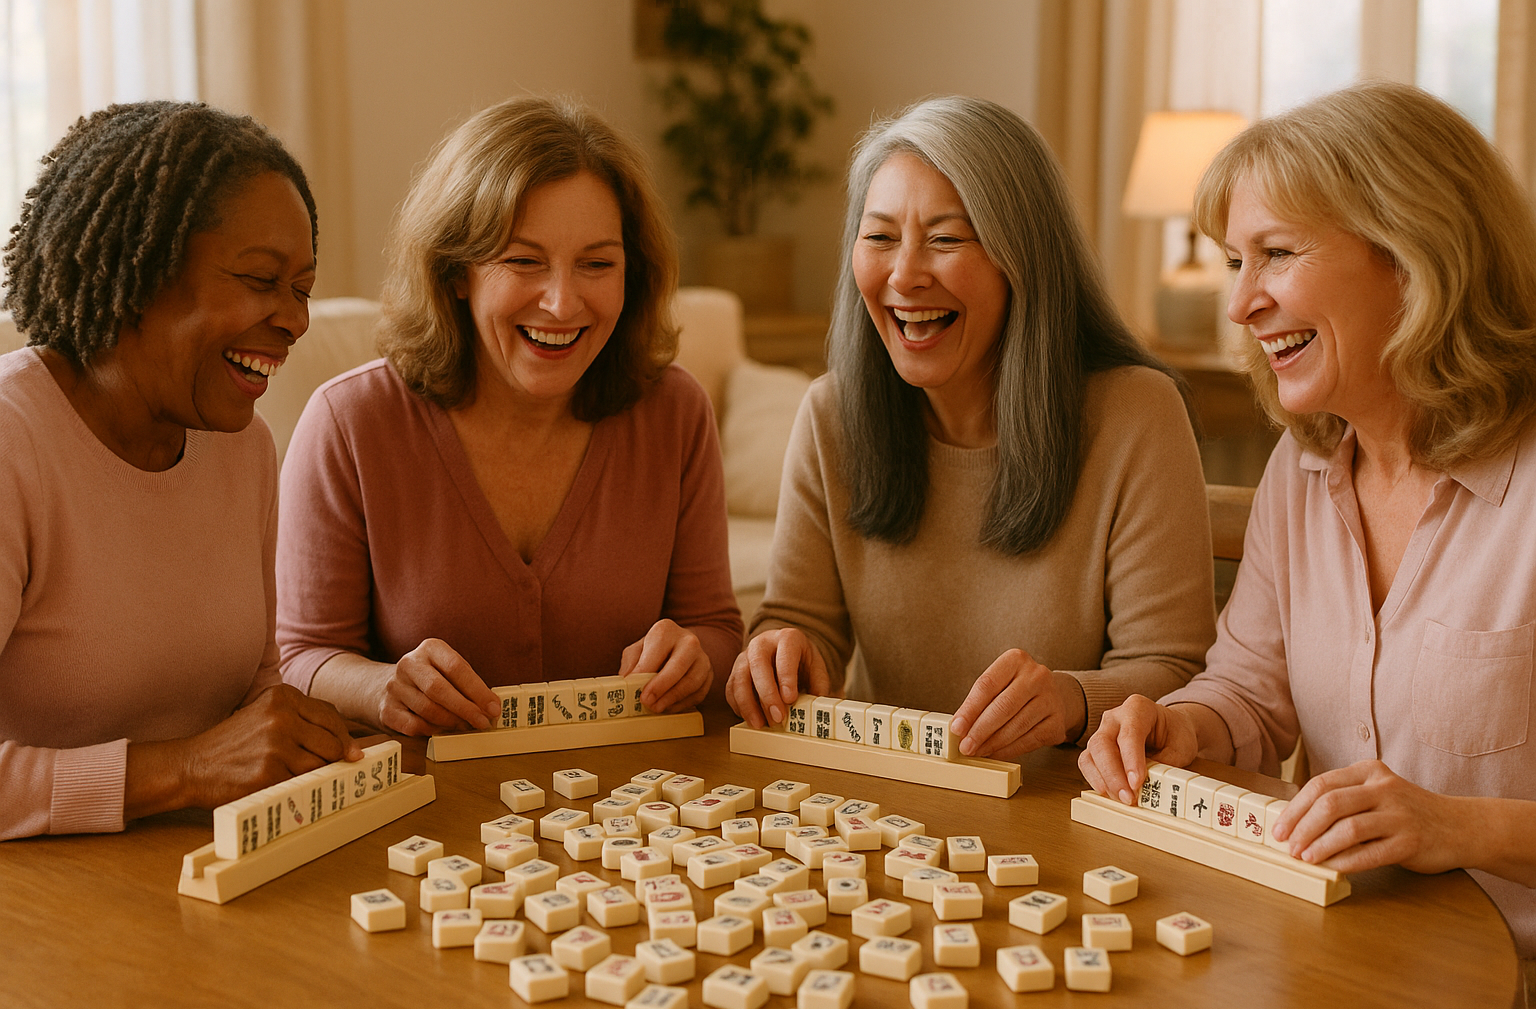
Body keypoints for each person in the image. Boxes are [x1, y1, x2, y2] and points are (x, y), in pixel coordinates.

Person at [1077, 82, 1536, 1006]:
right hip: (1342, 963)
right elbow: (1251, 693)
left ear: (1413, 257)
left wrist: (1463, 829)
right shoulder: (1305, 465)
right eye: (1235, 261)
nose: (1243, 303)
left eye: (1276, 255)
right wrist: (1182, 728)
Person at [725, 96, 1216, 759]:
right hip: (887, 813)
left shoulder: (1135, 414)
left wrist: (1072, 702)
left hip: (1070, 813)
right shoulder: (830, 416)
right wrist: (780, 652)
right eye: (879, 237)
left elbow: (1179, 675)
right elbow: (801, 620)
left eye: (946, 238)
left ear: (1023, 259)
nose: (903, 274)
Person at [276, 97, 742, 735]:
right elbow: (300, 657)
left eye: (597, 264)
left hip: (629, 807)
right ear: (457, 271)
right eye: (523, 261)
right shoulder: (348, 423)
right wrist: (378, 686)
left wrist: (696, 659)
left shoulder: (676, 412)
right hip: (429, 811)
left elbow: (716, 628)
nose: (561, 301)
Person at [0, 101, 362, 841]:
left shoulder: (245, 447)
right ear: (139, 266)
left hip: (205, 876)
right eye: (262, 280)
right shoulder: (13, 445)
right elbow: (205, 760)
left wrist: (318, 743)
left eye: (302, 288)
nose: (294, 320)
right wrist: (182, 771)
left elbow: (257, 686)